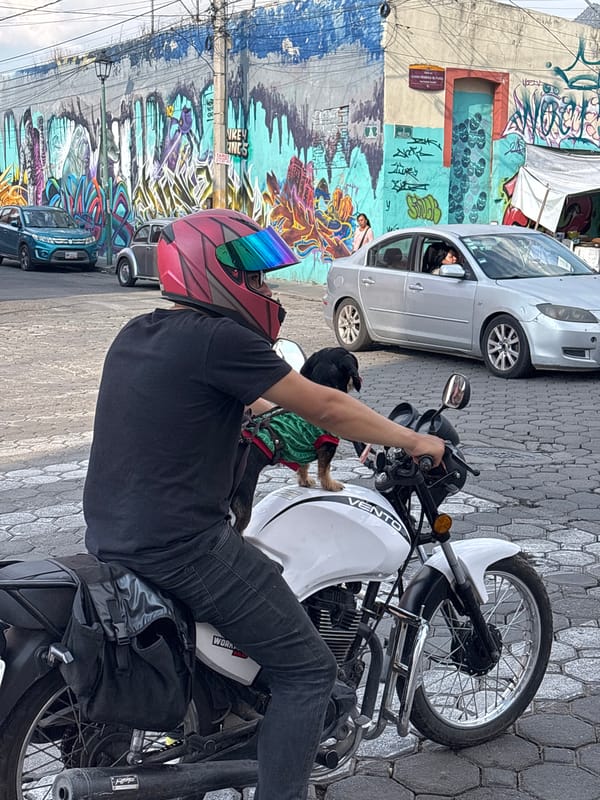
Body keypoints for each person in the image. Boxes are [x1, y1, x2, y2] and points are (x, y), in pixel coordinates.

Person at [83, 209, 444, 800]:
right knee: (308, 670)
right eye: (253, 278)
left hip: (110, 535)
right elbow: (326, 406)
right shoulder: (220, 339)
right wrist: (414, 440)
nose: (267, 290)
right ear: (212, 275)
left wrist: (266, 421)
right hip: (183, 547)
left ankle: (229, 719)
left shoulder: (139, 332)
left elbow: (211, 405)